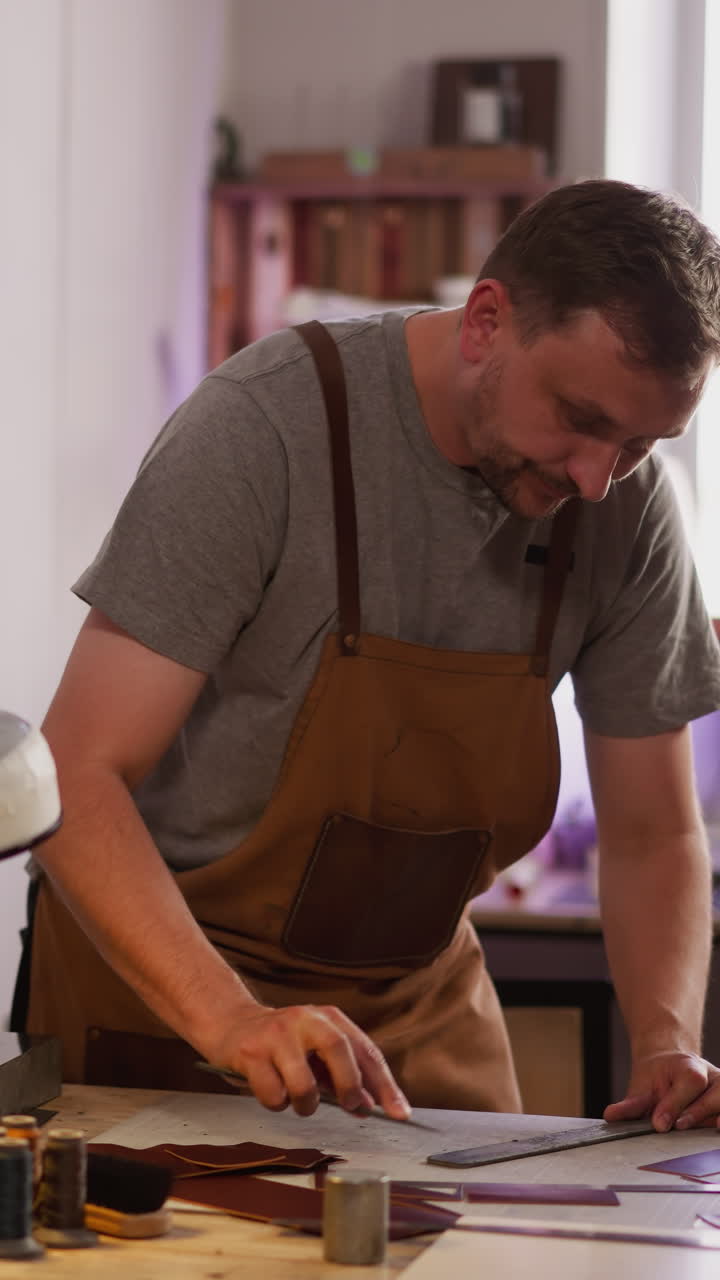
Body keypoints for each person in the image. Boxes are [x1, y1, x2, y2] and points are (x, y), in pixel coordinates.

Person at [17, 178, 720, 1130]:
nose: (600, 480)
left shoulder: (629, 508)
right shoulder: (265, 431)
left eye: (643, 441)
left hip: (411, 1006)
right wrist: (232, 1019)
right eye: (582, 418)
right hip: (169, 993)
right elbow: (77, 779)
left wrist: (668, 1040)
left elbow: (652, 833)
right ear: (485, 321)